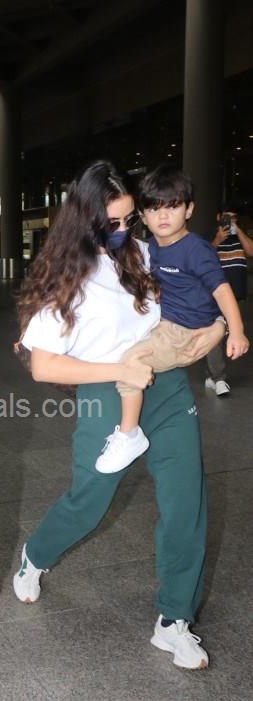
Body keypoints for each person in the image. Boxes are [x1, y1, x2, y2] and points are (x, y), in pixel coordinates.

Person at [13, 160, 225, 671]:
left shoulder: (143, 254)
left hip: (166, 387)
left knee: (186, 502)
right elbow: (43, 366)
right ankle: (35, 555)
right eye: (113, 222)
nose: (125, 230)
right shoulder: (67, 277)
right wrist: (122, 369)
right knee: (91, 500)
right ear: (85, 220)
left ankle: (174, 620)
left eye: (130, 219)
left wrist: (216, 327)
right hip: (107, 392)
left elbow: (195, 295)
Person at [94, 167, 249, 474]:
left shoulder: (196, 249)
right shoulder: (152, 247)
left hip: (184, 331)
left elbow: (221, 289)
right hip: (166, 325)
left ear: (189, 210)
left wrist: (235, 330)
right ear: (142, 216)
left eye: (173, 207)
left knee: (131, 362)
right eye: (154, 209)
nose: (163, 216)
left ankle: (129, 435)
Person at [205, 203, 253, 395]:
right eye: (226, 217)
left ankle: (211, 376)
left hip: (237, 295)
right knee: (216, 334)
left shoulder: (240, 237)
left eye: (233, 217)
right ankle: (219, 379)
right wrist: (218, 239)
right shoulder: (210, 235)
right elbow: (202, 256)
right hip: (215, 295)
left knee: (227, 335)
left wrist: (238, 230)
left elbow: (251, 251)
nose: (229, 220)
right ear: (219, 217)